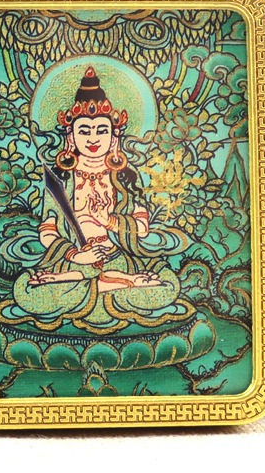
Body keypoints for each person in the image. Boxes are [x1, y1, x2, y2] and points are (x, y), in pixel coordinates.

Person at [11, 66, 193, 334]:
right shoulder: (61, 180)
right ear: (71, 136)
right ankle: (113, 283)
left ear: (114, 136)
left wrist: (109, 221)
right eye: (84, 131)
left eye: (101, 130)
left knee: (168, 285)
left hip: (118, 257)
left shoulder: (125, 177)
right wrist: (77, 255)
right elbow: (47, 232)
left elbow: (142, 228)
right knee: (25, 291)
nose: (93, 139)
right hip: (74, 259)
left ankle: (97, 281)